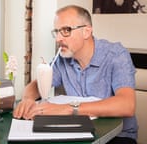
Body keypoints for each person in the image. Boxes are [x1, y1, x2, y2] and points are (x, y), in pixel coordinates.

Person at [13, 5, 138, 144]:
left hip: (118, 137)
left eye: (66, 30)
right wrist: (27, 99)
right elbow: (37, 84)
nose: (58, 38)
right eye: (57, 31)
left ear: (86, 31)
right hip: (77, 132)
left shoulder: (116, 55)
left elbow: (127, 105)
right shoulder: (62, 59)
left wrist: (68, 109)